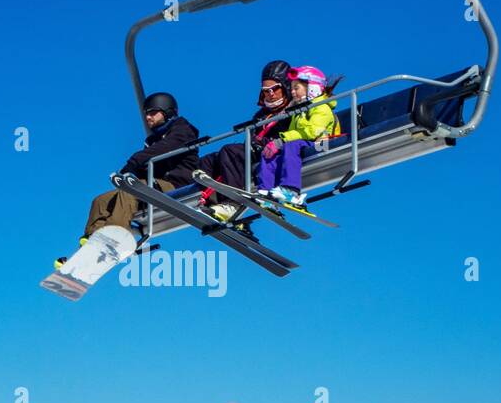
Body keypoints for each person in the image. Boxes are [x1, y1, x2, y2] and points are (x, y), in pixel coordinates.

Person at [56, 92, 199, 268]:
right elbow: (149, 159)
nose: (148, 117)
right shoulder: (153, 140)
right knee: (101, 201)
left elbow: (164, 149)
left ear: (167, 112)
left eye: (153, 112)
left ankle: (115, 240)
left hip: (176, 184)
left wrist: (134, 163)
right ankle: (92, 244)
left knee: (129, 192)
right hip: (156, 185)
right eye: (146, 113)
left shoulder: (183, 131)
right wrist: (134, 169)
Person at [198, 59, 293, 222]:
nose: (270, 93)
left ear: (285, 87)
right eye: (265, 90)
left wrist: (271, 142)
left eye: (275, 88)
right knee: (209, 160)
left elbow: (294, 134)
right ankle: (214, 204)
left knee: (230, 151)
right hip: (257, 148)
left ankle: (233, 203)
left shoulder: (294, 109)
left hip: (276, 149)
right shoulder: (261, 115)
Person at [257, 64, 340, 208]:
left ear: (312, 88)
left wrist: (282, 139)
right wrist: (276, 144)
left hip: (322, 143)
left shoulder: (321, 106)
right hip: (302, 144)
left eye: (297, 88)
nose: (293, 92)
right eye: (292, 88)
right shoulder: (299, 111)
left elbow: (313, 131)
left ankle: (291, 190)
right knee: (269, 151)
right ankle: (265, 193)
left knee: (291, 144)